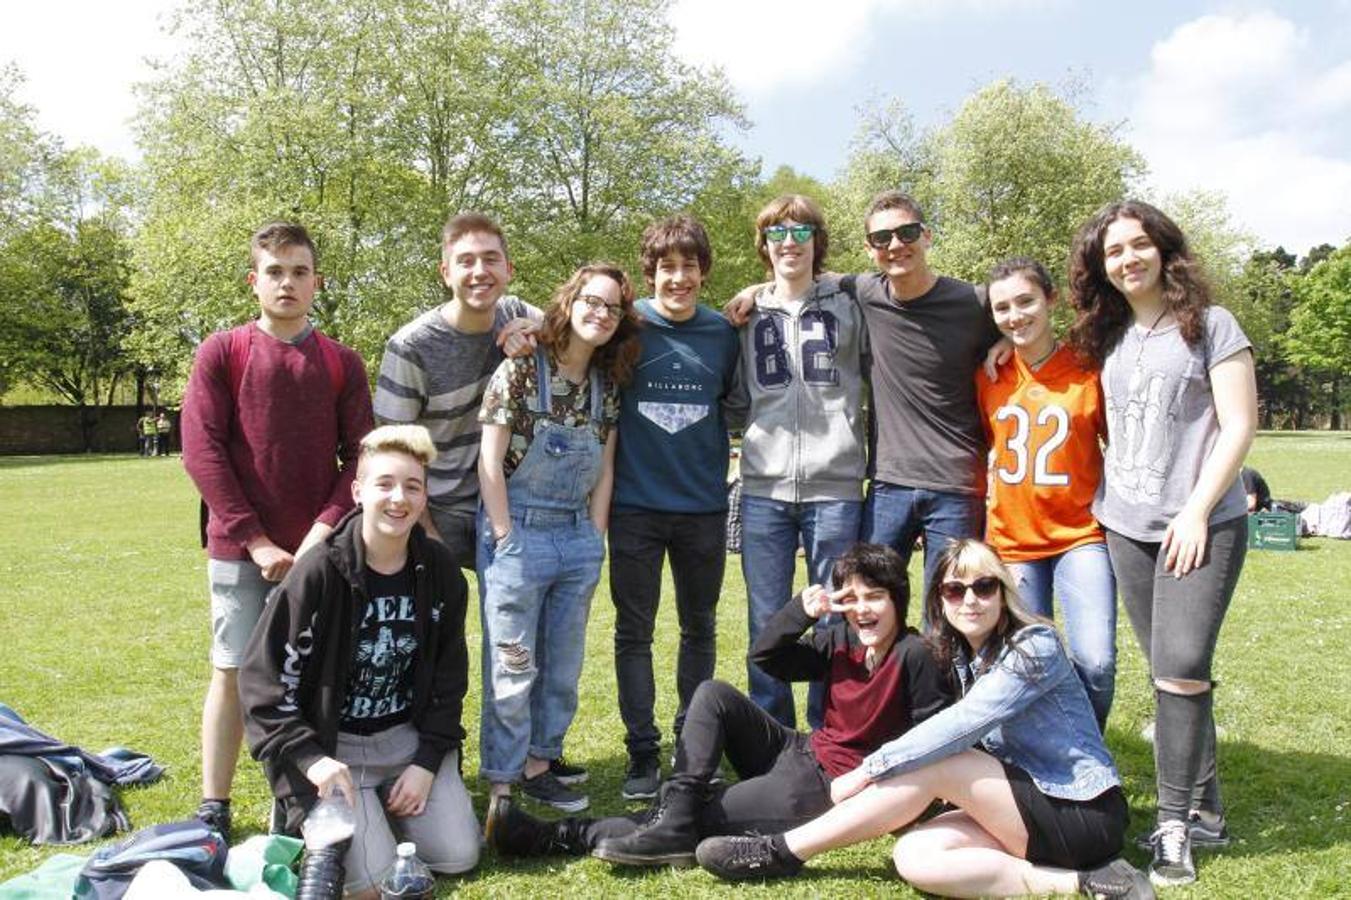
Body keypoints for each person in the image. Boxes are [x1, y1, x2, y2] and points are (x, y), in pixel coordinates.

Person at [695, 539, 1152, 900]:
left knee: (940, 760)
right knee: (915, 857)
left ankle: (782, 851)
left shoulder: (1035, 646)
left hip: (1080, 812)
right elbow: (769, 656)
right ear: (941, 599)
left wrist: (867, 770)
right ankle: (1088, 883)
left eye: (983, 586)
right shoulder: (959, 659)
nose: (969, 600)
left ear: (1004, 591)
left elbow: (965, 722)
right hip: (1024, 813)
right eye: (955, 589)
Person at [483, 543, 951, 866]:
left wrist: (878, 789)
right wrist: (802, 612)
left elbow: (933, 737)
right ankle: (680, 808)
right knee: (712, 693)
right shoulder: (840, 641)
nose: (865, 610)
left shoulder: (915, 654)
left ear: (899, 601)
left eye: (877, 598)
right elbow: (767, 656)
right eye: (855, 599)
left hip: (828, 785)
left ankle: (553, 837)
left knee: (699, 819)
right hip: (800, 751)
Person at [1067, 200, 1257, 887]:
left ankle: (1173, 824)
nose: (1126, 259)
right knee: (1169, 673)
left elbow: (1237, 425)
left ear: (1163, 249)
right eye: (1112, 252)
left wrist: (1198, 510)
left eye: (1137, 245)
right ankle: (1206, 808)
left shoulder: (1210, 326)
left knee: (1180, 665)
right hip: (1124, 524)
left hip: (1198, 524)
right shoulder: (1107, 333)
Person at [181, 221, 374, 838]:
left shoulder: (342, 362)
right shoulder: (223, 351)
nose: (286, 283)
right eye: (274, 271)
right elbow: (201, 451)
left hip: (319, 555)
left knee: (311, 676)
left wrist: (319, 535)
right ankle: (215, 803)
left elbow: (360, 460)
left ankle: (301, 796)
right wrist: (256, 540)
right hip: (240, 552)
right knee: (234, 670)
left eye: (298, 272)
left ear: (317, 281)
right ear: (254, 280)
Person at [725, 191, 1003, 598]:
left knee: (879, 615)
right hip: (797, 488)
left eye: (800, 231)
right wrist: (757, 289)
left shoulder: (869, 304)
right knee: (802, 617)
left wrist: (1007, 341)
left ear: (926, 235)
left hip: (870, 489)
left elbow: (1020, 316)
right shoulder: (754, 316)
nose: (895, 245)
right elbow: (794, 280)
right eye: (777, 232)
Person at [239, 425, 478, 897]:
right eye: (384, 483)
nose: (398, 498)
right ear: (358, 491)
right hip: (336, 750)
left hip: (403, 741)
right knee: (370, 882)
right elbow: (261, 682)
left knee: (458, 856)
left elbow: (451, 681)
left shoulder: (441, 571)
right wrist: (310, 760)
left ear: (425, 496)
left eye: (413, 486)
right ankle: (322, 812)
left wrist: (427, 761)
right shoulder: (318, 572)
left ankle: (389, 808)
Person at [477, 263, 641, 813]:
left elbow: (607, 469)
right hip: (519, 528)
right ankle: (502, 776)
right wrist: (503, 533)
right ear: (570, 303)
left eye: (612, 307)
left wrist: (594, 536)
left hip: (575, 534)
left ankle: (540, 761)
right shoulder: (522, 370)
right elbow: (490, 462)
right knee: (514, 661)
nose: (600, 313)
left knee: (563, 663)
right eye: (592, 301)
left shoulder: (605, 385)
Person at [609, 215, 741, 800]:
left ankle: (693, 743)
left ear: (704, 272)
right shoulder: (626, 328)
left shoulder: (723, 333)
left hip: (703, 510)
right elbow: (565, 327)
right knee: (633, 632)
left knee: (700, 627)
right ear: (651, 274)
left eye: (690, 266)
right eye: (667, 267)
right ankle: (642, 752)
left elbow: (737, 408)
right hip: (634, 507)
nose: (679, 278)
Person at [731, 194, 867, 731]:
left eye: (802, 232)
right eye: (778, 233)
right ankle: (773, 737)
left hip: (834, 485)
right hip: (763, 486)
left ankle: (831, 733)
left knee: (835, 613)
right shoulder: (744, 315)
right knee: (767, 619)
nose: (790, 242)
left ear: (818, 242)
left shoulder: (849, 302)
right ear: (764, 245)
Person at [977, 258, 1116, 729]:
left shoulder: (1090, 370)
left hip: (1079, 534)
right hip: (1013, 542)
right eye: (1002, 308)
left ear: (1050, 299)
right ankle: (1038, 761)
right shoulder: (989, 375)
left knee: (1095, 661)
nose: (1015, 316)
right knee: (1022, 666)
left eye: (1025, 301)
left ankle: (1087, 749)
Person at [374, 212, 541, 572]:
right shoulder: (411, 346)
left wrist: (542, 333)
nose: (480, 271)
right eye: (466, 261)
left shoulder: (517, 312)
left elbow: (582, 338)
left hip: (507, 503)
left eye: (491, 259)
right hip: (440, 511)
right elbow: (391, 451)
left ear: (509, 269)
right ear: (446, 273)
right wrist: (428, 536)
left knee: (513, 626)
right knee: (438, 626)